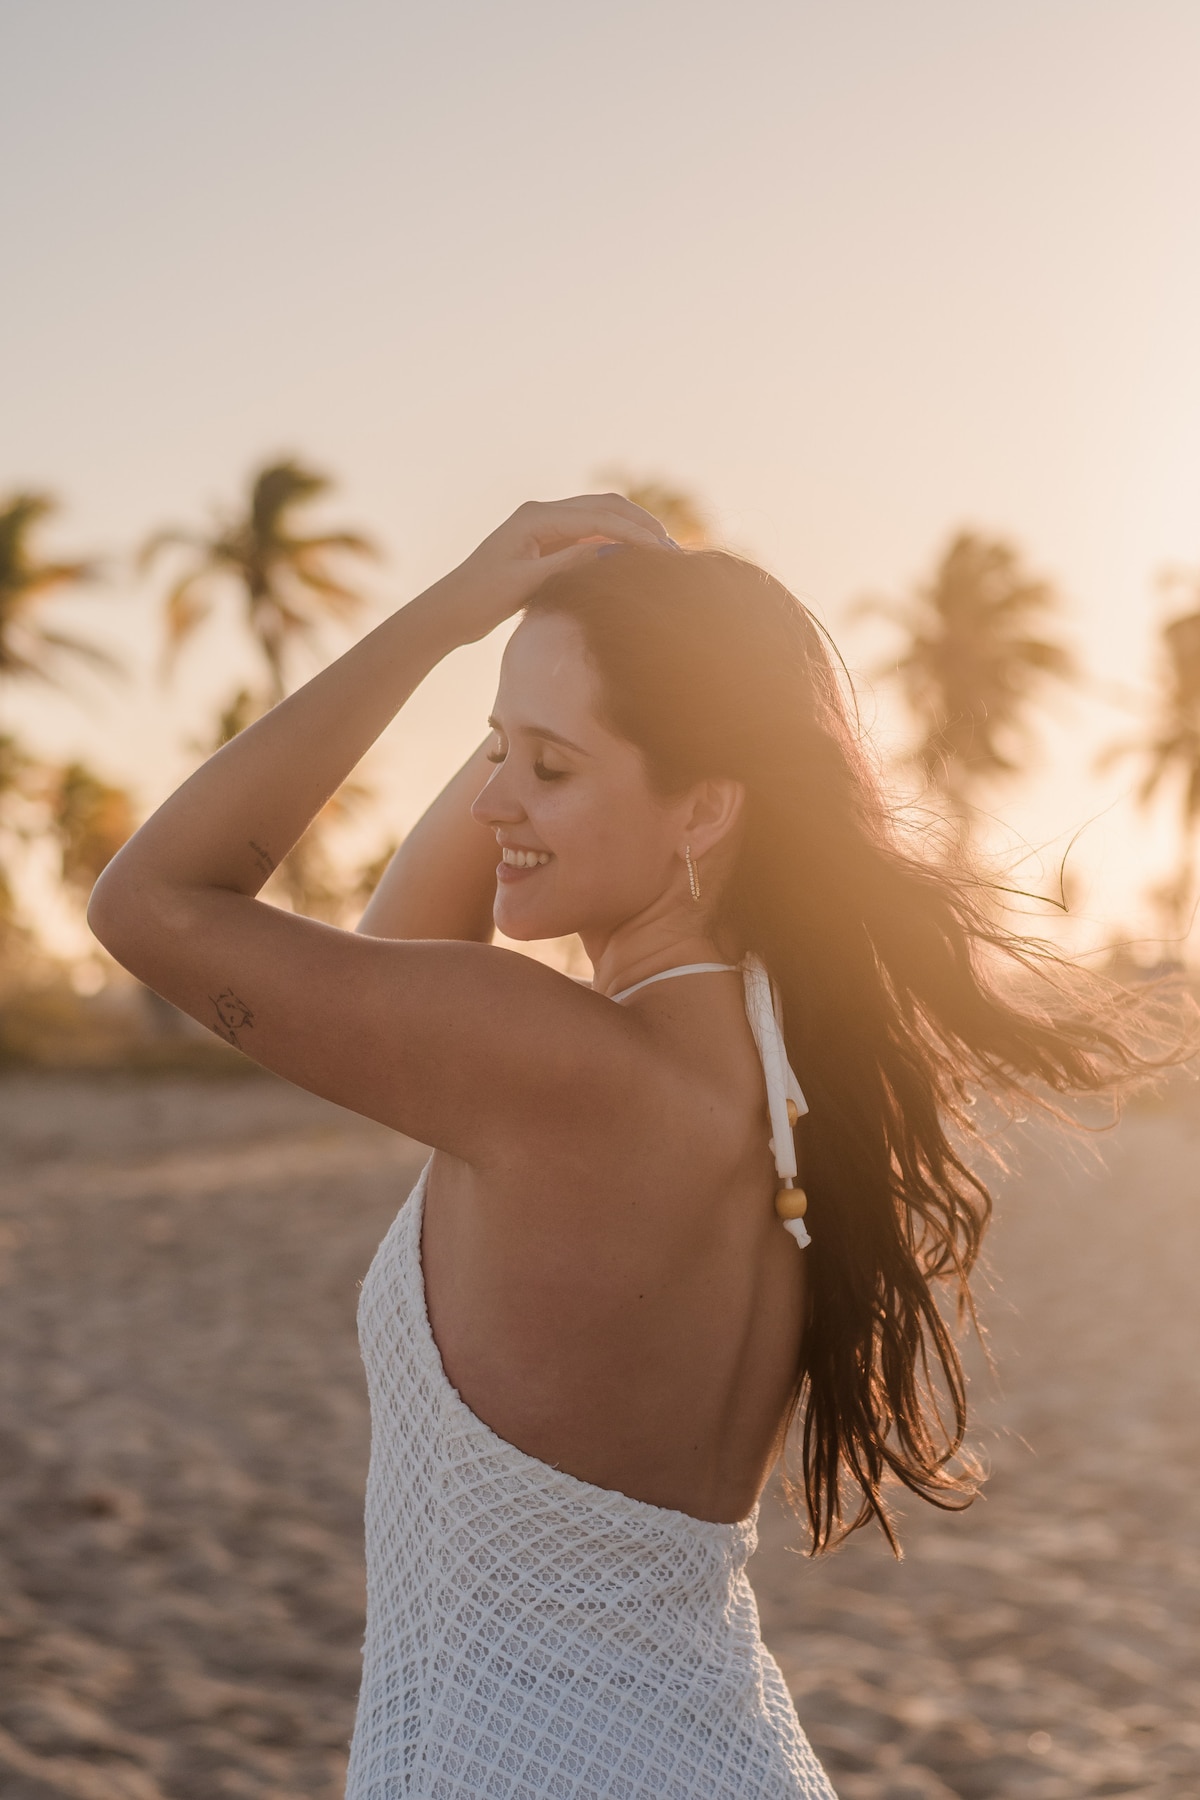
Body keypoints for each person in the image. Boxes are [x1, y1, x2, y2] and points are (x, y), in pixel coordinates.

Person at [89, 495, 1155, 1799]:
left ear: (704, 811)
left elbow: (150, 903)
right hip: (701, 1749)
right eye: (495, 747)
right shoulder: (766, 1070)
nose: (494, 801)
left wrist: (444, 615)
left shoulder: (562, 1065)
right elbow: (398, 960)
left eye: (549, 765)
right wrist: (553, 675)